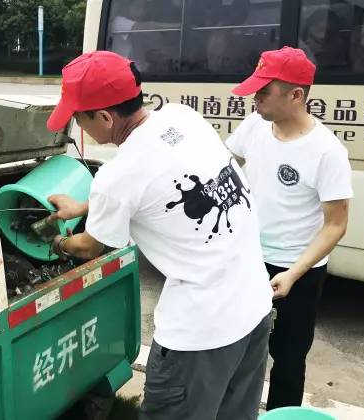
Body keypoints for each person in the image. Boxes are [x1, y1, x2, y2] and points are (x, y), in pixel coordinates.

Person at [45, 50, 273, 419]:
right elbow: (161, 184)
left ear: (104, 117)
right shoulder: (183, 117)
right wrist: (85, 207)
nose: (78, 127)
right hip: (254, 310)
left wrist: (56, 242)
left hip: (200, 335)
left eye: (78, 118)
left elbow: (88, 247)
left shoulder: (117, 177)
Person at [225, 46, 352, 409]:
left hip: (298, 270)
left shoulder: (326, 151)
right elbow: (223, 165)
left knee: (288, 359)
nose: (255, 97)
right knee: (234, 348)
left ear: (296, 95)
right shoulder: (254, 126)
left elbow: (336, 225)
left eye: (264, 91)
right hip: (248, 259)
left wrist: (294, 273)